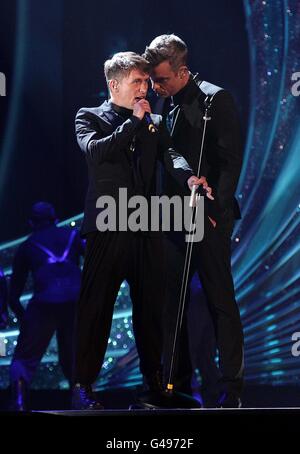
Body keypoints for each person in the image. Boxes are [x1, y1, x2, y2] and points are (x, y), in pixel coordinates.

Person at [72, 51, 209, 410]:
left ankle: (153, 385)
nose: (145, 88)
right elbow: (96, 153)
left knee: (151, 310)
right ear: (114, 85)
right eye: (137, 81)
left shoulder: (155, 122)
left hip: (146, 223)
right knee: (96, 307)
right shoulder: (90, 118)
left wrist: (189, 176)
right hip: (107, 224)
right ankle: (83, 385)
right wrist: (133, 122)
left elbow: (172, 156)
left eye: (147, 82)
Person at [144, 34, 244, 407]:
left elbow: (231, 161)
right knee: (173, 304)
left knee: (221, 301)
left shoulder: (215, 99)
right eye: (153, 80)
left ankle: (231, 388)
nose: (156, 86)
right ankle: (178, 385)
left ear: (182, 71)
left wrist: (216, 212)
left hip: (210, 217)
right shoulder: (164, 105)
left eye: (162, 79)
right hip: (173, 217)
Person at [9, 201, 85, 411]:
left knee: (24, 357)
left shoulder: (28, 245)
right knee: (75, 357)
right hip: (75, 303)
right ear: (56, 219)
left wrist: (25, 319)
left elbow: (13, 294)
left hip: (43, 304)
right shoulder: (73, 236)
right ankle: (81, 400)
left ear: (31, 223)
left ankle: (19, 401)